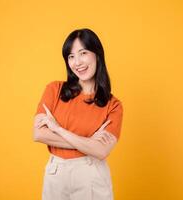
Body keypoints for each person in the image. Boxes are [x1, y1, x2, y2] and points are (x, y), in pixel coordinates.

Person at [33, 28, 123, 200]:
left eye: (83, 53)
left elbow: (101, 151)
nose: (77, 62)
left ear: (97, 54)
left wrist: (58, 129)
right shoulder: (54, 90)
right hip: (56, 174)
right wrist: (88, 143)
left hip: (91, 175)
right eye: (71, 56)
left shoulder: (113, 105)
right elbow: (38, 134)